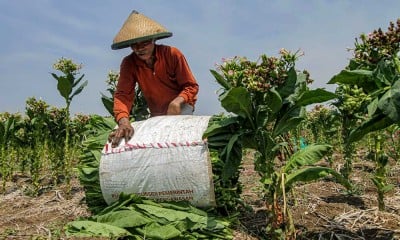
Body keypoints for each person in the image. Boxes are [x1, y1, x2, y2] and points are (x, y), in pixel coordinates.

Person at [108, 10, 199, 147]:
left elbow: (191, 86)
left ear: (153, 40)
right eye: (134, 45)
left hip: (181, 107)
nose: (139, 49)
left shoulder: (172, 54)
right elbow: (123, 95)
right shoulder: (129, 63)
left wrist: (176, 103)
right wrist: (123, 120)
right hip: (156, 111)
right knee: (155, 145)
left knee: (178, 143)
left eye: (144, 43)